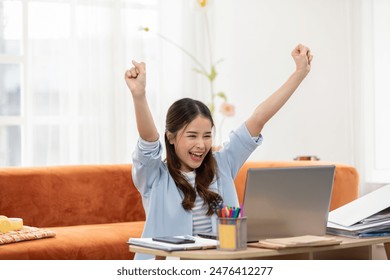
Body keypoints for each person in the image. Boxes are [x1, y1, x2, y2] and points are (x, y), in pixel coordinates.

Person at [125, 44, 313, 260]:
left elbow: (259, 118)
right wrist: (139, 95)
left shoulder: (222, 164)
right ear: (171, 137)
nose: (201, 145)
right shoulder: (153, 177)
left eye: (207, 135)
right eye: (192, 135)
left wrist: (299, 74)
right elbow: (148, 141)